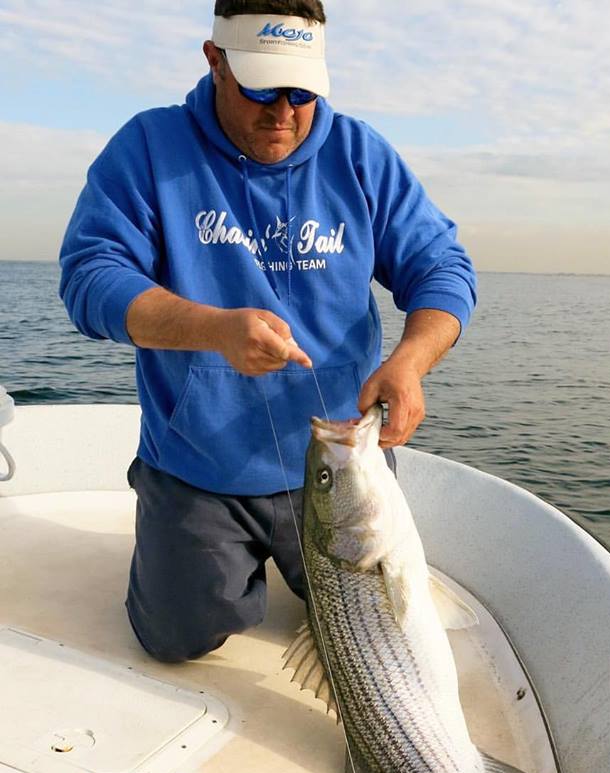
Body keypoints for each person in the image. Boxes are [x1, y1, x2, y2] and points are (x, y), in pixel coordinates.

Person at [59, 0, 477, 663]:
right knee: (176, 642)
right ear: (214, 60)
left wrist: (411, 362)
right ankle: (190, 548)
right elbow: (90, 278)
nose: (282, 110)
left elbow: (442, 267)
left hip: (340, 466)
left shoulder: (360, 154)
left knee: (388, 642)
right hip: (200, 464)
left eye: (302, 90)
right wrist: (211, 329)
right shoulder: (149, 147)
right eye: (261, 86)